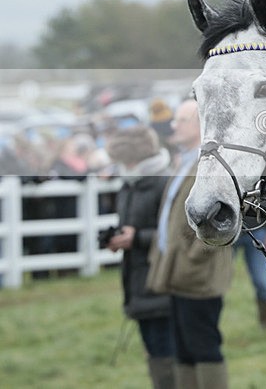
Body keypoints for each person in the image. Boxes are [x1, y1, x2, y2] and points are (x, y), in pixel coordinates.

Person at [146, 99, 233, 389]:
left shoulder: (211, 166)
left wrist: (193, 255)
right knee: (184, 350)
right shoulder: (184, 161)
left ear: (199, 124)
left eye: (181, 120)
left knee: (203, 347)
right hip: (179, 273)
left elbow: (221, 219)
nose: (173, 126)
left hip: (198, 275)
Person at [104, 125, 175, 389]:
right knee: (154, 350)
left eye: (126, 159)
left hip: (161, 279)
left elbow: (179, 235)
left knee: (166, 350)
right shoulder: (129, 185)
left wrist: (138, 238)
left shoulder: (164, 182)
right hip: (136, 278)